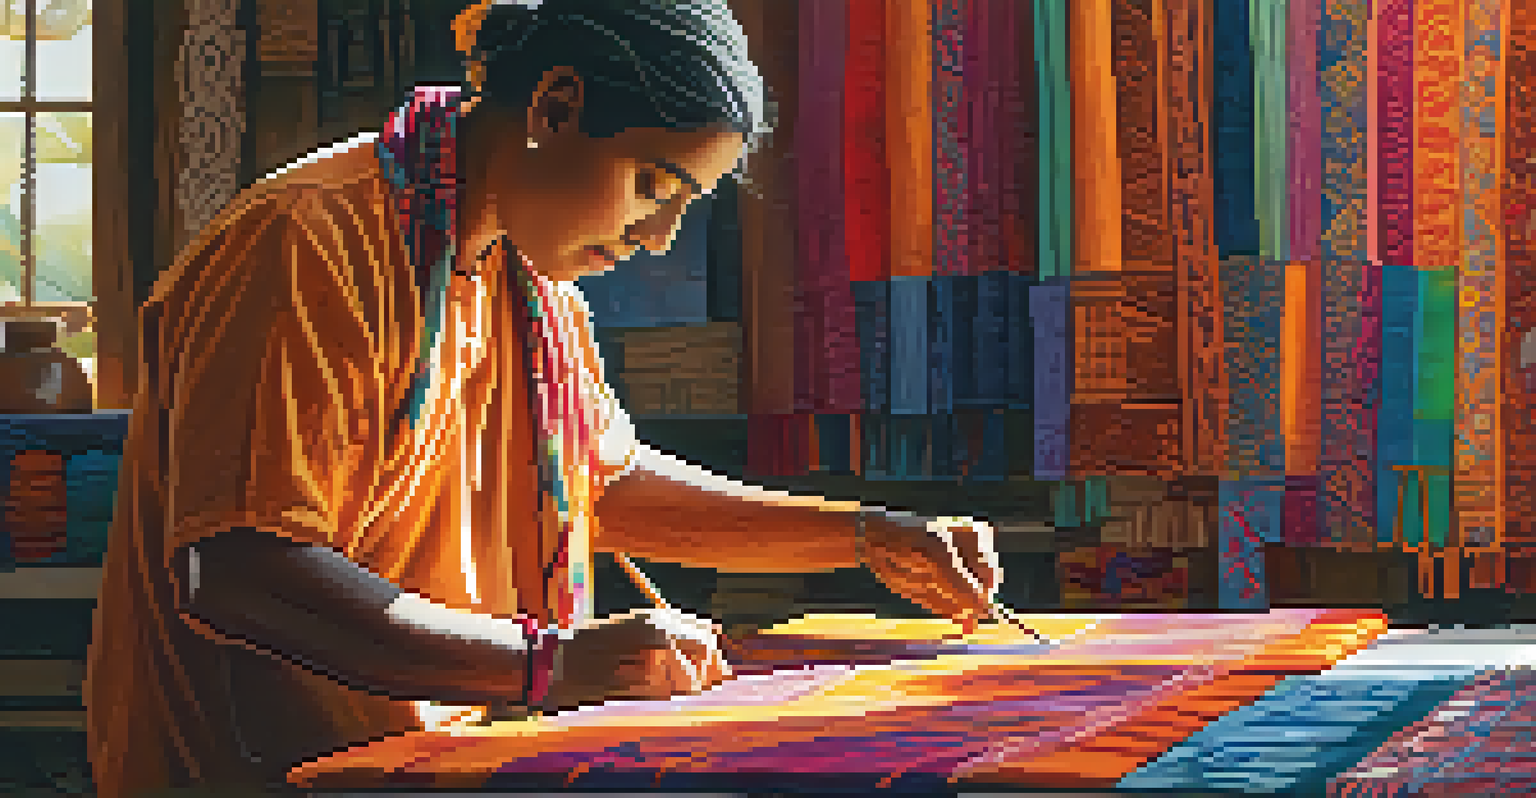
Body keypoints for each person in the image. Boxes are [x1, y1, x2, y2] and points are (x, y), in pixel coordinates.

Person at [83, 1, 1005, 795]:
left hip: (453, 763)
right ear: (555, 107)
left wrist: (864, 532)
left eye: (688, 205)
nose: (658, 238)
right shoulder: (304, 248)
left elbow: (601, 486)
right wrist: (551, 665)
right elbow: (245, 569)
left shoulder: (533, 291)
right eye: (653, 185)